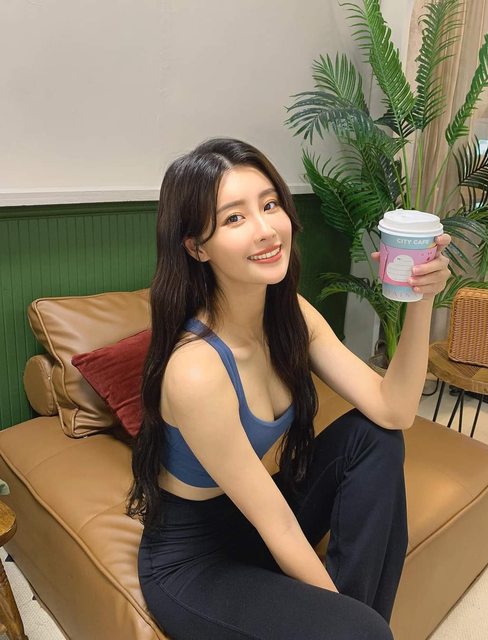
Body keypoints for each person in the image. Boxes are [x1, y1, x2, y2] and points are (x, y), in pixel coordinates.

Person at [127, 137, 451, 640]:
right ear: (196, 246)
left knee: (375, 439)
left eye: (270, 204)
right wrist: (346, 623)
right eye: (234, 218)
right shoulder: (196, 371)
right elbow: (276, 523)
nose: (265, 230)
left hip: (255, 518)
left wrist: (422, 298)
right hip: (195, 560)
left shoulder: (291, 314)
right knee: (359, 631)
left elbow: (395, 411)